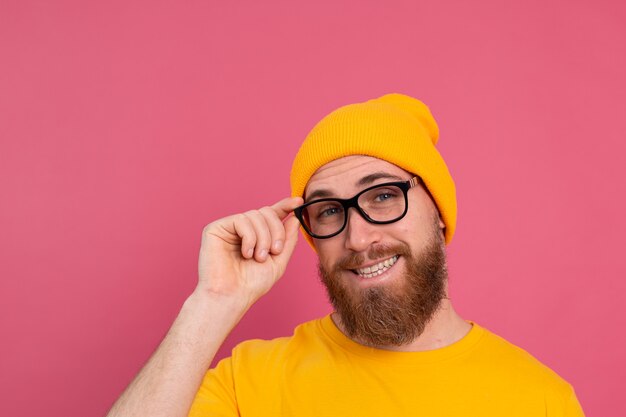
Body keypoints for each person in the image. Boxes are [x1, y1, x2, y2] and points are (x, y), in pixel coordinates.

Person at [106, 94, 585, 417]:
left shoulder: (540, 399)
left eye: (381, 196)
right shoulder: (249, 382)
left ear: (438, 210)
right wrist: (211, 303)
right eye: (330, 210)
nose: (357, 238)